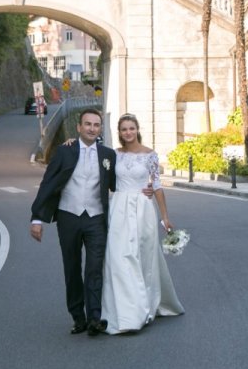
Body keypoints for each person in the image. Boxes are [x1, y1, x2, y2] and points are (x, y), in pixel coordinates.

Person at [29, 108, 116, 337]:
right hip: (68, 216)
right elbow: (47, 183)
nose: (91, 128)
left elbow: (118, 184)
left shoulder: (108, 155)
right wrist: (37, 218)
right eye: (87, 124)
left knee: (94, 268)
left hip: (96, 218)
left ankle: (95, 317)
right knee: (72, 267)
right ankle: (78, 318)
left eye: (96, 125)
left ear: (100, 129)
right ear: (79, 127)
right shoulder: (64, 151)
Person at [102, 113, 184, 334]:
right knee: (119, 257)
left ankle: (145, 305)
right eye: (124, 129)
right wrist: (71, 142)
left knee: (143, 257)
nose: (128, 132)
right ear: (119, 133)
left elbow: (156, 185)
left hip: (143, 209)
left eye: (131, 128)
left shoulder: (150, 155)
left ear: (137, 129)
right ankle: (127, 310)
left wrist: (164, 217)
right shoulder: (114, 155)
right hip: (119, 208)